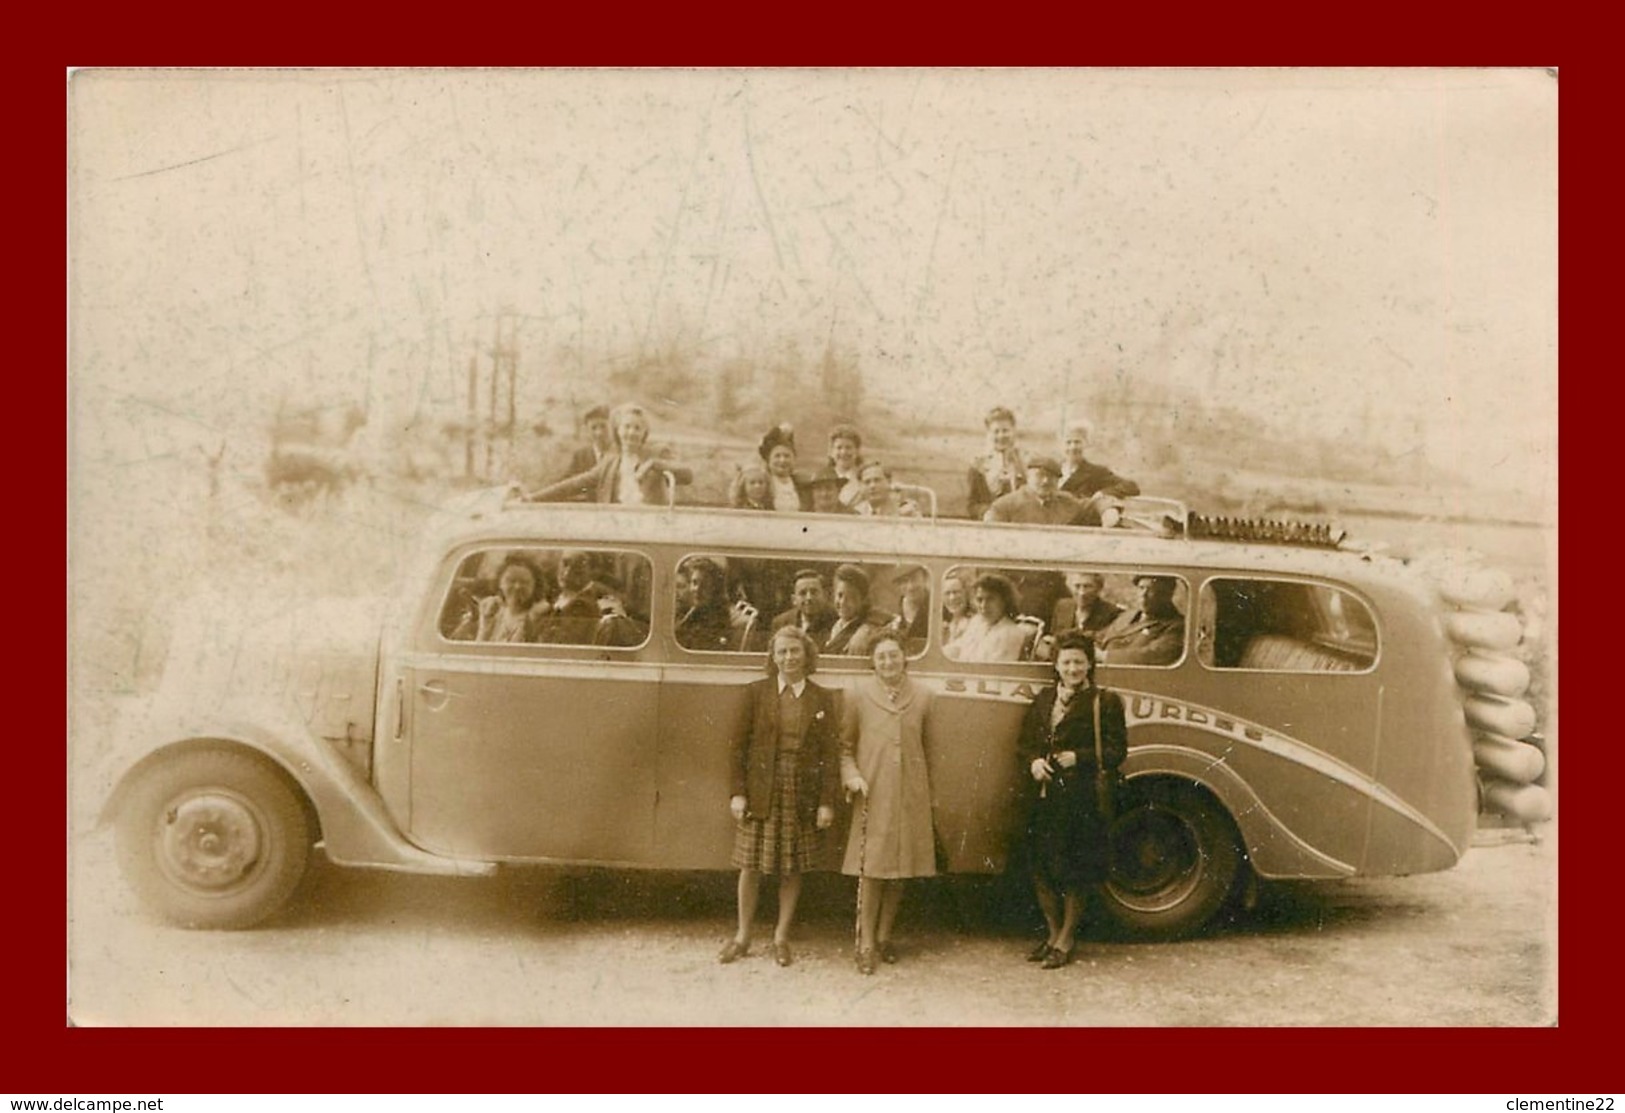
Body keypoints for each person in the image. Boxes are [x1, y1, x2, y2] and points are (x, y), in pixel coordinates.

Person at [719, 626, 840, 968]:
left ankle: (781, 937)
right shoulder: (756, 693)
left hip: (801, 790)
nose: (789, 658)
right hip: (761, 787)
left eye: (795, 651)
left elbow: (830, 755)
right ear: (773, 657)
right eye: (782, 652)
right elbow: (737, 748)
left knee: (792, 867)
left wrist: (826, 802)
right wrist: (738, 793)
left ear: (807, 656)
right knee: (750, 864)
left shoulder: (821, 698)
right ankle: (742, 936)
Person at [1017, 630, 1127, 969]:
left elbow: (1117, 751)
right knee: (1040, 867)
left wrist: (1079, 758)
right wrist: (1034, 762)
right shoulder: (1044, 699)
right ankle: (1052, 934)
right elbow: (1025, 742)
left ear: (1090, 664)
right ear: (1057, 665)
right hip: (1043, 796)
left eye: (1079, 662)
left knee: (1075, 870)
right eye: (1066, 662)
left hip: (1080, 799)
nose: (1073, 668)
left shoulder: (1103, 701)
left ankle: (1066, 938)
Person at [841, 633, 936, 974]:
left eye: (893, 656)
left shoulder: (923, 696)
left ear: (904, 658)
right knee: (872, 870)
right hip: (873, 791)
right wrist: (851, 774)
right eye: (881, 657)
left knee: (901, 868)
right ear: (873, 662)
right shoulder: (858, 694)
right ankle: (866, 943)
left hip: (911, 792)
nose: (888, 663)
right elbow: (844, 747)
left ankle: (884, 937)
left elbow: (928, 747)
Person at [524, 403, 693, 505]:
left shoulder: (657, 452)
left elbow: (687, 475)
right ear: (618, 430)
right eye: (626, 427)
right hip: (617, 531)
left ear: (644, 432)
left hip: (648, 532)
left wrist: (655, 464)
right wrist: (532, 498)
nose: (631, 433)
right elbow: (574, 484)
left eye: (637, 428)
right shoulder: (610, 462)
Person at [1094, 574, 1185, 665]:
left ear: (1167, 594)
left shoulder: (1177, 626)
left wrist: (1104, 656)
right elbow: (1101, 637)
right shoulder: (1128, 615)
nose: (1143, 595)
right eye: (1141, 588)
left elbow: (1154, 654)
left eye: (1152, 590)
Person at [460, 553, 552, 643]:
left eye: (525, 582)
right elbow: (479, 649)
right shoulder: (494, 612)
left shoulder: (541, 615)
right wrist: (485, 623)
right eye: (510, 581)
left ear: (535, 586)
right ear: (500, 583)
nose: (517, 587)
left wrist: (531, 618)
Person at [944, 573, 1031, 662]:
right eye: (979, 599)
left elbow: (991, 671)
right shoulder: (977, 622)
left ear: (1004, 601)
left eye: (990, 599)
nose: (983, 605)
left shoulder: (1010, 633)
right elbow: (958, 647)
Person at [1035, 571, 1123, 660]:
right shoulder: (1062, 606)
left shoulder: (1112, 613)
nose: (1082, 593)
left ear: (1099, 588)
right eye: (1077, 586)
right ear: (1069, 587)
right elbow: (1052, 636)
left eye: (1087, 586)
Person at [983, 457, 1095, 526]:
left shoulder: (1066, 502)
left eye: (1051, 477)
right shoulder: (1005, 505)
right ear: (1028, 477)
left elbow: (1094, 504)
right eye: (1039, 475)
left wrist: (1108, 510)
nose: (1045, 481)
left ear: (1057, 481)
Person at [677, 557, 753, 652]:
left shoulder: (729, 620)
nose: (697, 589)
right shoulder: (692, 614)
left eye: (704, 585)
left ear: (715, 589)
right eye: (694, 583)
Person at [966, 406, 1027, 520]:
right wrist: (988, 512)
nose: (1001, 436)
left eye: (1005, 431)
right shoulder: (978, 464)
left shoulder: (1024, 461)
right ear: (989, 433)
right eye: (996, 431)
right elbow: (972, 506)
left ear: (1013, 431)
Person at [1058, 421, 1140, 501]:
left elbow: (1131, 486)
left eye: (1077, 442)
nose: (1072, 447)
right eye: (1068, 442)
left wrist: (1103, 493)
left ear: (1086, 444)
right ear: (1061, 445)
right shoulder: (1053, 469)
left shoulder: (1096, 472)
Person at [823, 564, 892, 657]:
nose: (843, 602)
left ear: (863, 600)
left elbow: (889, 617)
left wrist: (868, 626)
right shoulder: (833, 621)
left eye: (851, 597)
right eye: (840, 595)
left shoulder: (867, 629)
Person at [771, 568, 837, 643]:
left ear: (825, 595)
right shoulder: (781, 623)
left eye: (814, 592)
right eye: (803, 593)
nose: (809, 598)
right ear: (794, 600)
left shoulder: (836, 621)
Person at [759, 423, 812, 512]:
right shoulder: (763, 484)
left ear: (794, 459)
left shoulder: (803, 485)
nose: (782, 460)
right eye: (777, 456)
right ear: (768, 460)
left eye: (787, 456)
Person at [885, 566, 932, 654]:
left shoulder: (937, 605)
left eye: (915, 579)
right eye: (904, 581)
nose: (911, 587)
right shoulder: (893, 606)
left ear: (924, 578)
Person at [562, 404, 614, 480]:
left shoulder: (620, 453)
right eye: (594, 428)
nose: (599, 433)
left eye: (603, 426)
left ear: (612, 427)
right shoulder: (580, 457)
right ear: (587, 430)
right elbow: (565, 482)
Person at [852, 462, 922, 518]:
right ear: (861, 487)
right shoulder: (856, 513)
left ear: (889, 482)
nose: (872, 486)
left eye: (877, 480)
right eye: (867, 482)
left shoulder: (905, 511)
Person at [824, 424, 866, 509]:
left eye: (848, 448)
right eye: (839, 448)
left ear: (857, 451)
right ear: (831, 452)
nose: (843, 452)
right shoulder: (823, 479)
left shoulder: (864, 480)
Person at [940, 572, 975, 646]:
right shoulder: (944, 624)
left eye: (956, 592)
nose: (952, 598)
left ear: (966, 593)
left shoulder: (975, 623)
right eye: (947, 593)